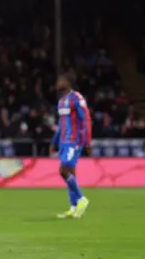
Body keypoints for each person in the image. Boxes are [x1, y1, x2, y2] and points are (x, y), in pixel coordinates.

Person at [50, 73, 92, 219]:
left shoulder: (76, 98)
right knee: (70, 173)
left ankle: (81, 199)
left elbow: (86, 119)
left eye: (60, 80)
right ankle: (74, 207)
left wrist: (88, 140)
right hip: (63, 141)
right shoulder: (61, 102)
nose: (58, 82)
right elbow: (61, 125)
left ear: (68, 82)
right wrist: (54, 142)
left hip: (74, 140)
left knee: (64, 169)